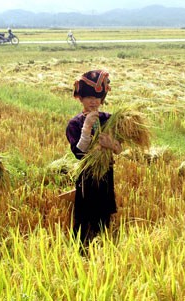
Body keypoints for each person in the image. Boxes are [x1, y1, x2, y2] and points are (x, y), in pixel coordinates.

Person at [66, 70, 122, 247]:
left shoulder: (109, 120)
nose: (93, 101)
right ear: (80, 98)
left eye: (97, 97)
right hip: (86, 175)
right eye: (89, 97)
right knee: (84, 215)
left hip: (106, 173)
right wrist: (87, 127)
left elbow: (120, 149)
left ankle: (103, 247)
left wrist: (111, 144)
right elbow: (79, 153)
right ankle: (80, 249)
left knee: (104, 214)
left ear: (102, 98)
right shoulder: (75, 124)